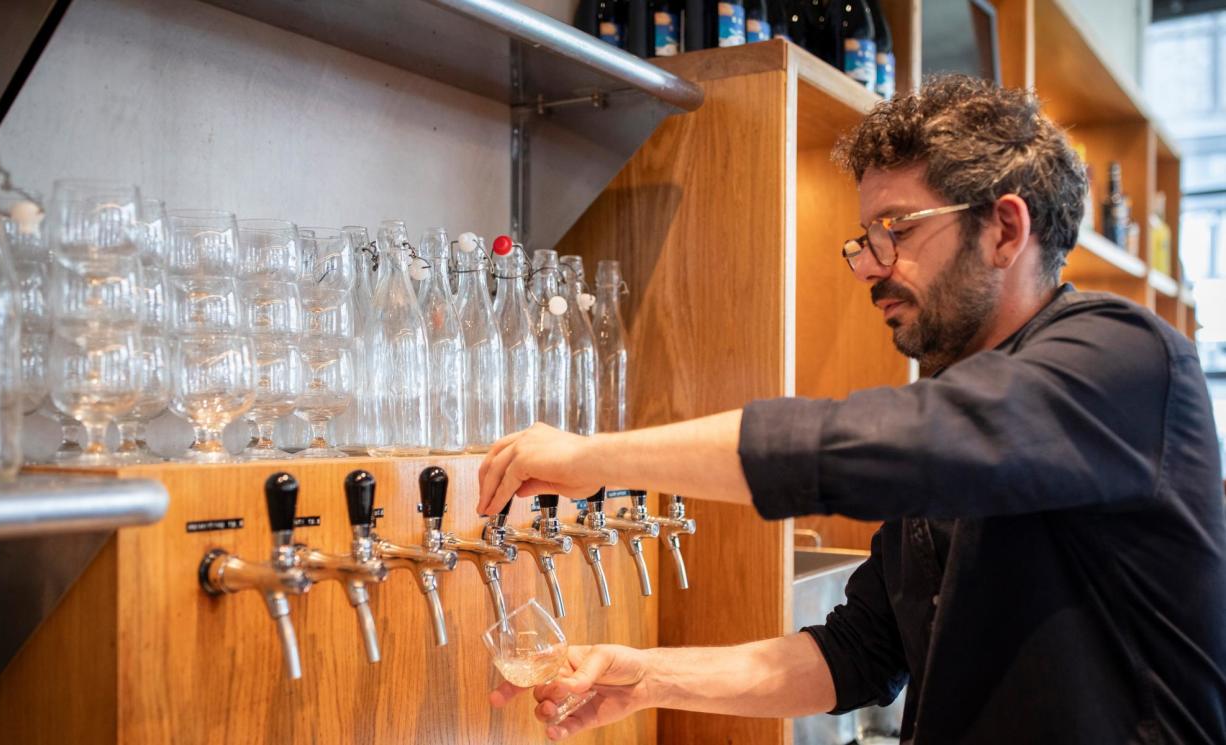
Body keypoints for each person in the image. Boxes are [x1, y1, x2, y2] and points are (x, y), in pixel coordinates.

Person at [476, 75, 1226, 744]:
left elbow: (866, 446)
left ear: (1004, 228)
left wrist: (591, 459)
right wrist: (639, 678)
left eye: (895, 230)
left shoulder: (1123, 359)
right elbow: (858, 653)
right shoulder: (953, 409)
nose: (870, 266)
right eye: (864, 238)